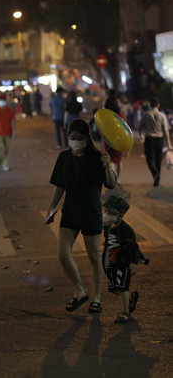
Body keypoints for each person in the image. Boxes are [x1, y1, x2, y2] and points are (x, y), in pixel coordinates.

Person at [45, 119, 117, 314]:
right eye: (72, 138)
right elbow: (60, 185)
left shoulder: (96, 157)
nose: (75, 141)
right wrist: (52, 208)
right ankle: (81, 290)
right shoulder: (64, 158)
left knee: (94, 257)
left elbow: (111, 184)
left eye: (79, 138)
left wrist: (108, 166)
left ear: (87, 138)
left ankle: (96, 298)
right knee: (62, 254)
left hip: (91, 212)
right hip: (70, 212)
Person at [101, 196, 146, 324]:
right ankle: (131, 297)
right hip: (111, 262)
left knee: (121, 287)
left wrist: (134, 262)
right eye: (106, 212)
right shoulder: (109, 226)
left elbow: (133, 246)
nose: (107, 215)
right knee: (113, 288)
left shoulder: (126, 230)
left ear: (120, 215)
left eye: (111, 213)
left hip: (122, 263)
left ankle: (125, 312)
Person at [138, 97, 173, 187]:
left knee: (150, 159)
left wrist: (141, 136)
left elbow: (140, 127)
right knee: (158, 159)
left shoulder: (146, 114)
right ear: (158, 105)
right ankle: (157, 177)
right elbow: (165, 131)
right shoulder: (162, 115)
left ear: (150, 105)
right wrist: (169, 144)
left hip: (149, 140)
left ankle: (155, 174)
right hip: (160, 140)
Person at [103, 94, 124, 182]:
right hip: (119, 140)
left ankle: (112, 177)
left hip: (108, 139)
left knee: (110, 159)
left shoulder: (105, 115)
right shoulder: (120, 115)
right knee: (118, 160)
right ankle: (118, 178)